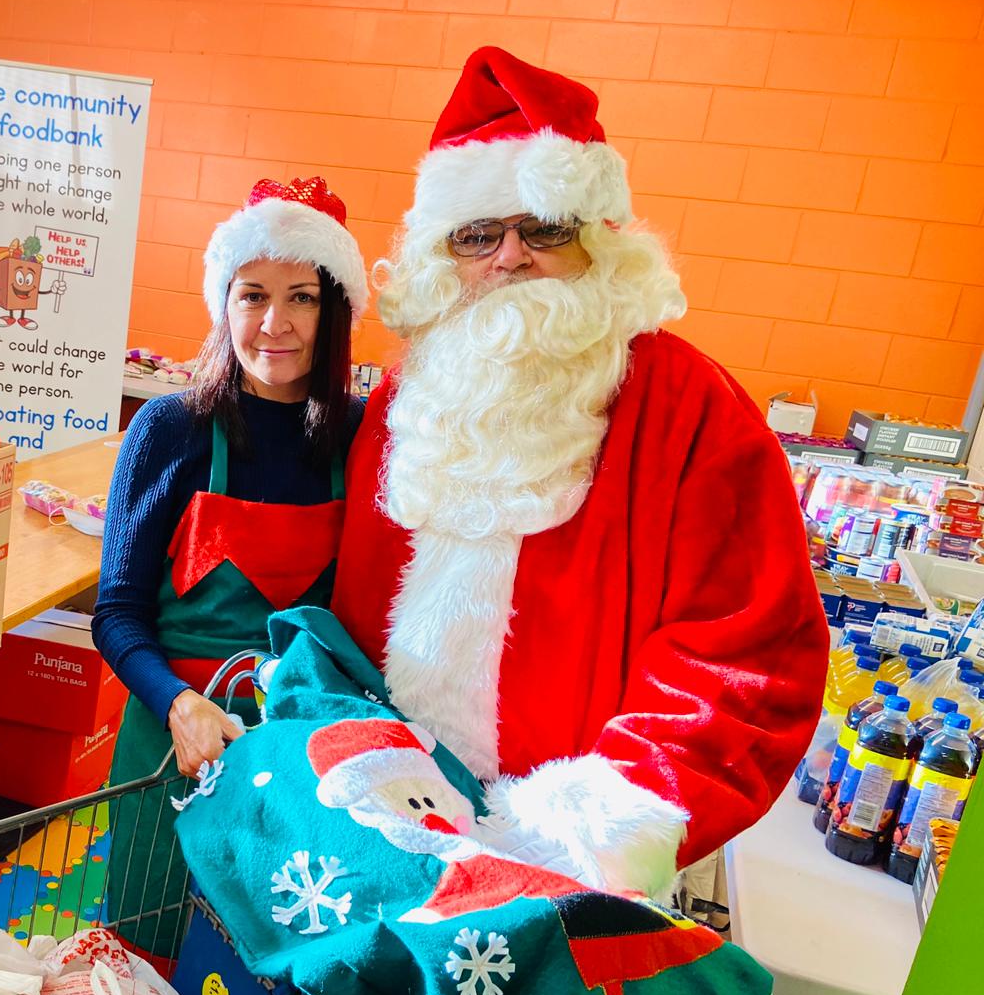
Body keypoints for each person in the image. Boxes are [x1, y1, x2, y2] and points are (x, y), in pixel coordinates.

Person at [331, 47, 830, 900]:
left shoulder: (690, 407)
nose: (510, 257)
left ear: (598, 241)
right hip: (392, 813)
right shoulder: (408, 397)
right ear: (443, 253)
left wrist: (609, 810)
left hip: (573, 861)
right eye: (479, 234)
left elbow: (748, 646)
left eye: (545, 228)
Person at [93, 176, 368, 960]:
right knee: (153, 955)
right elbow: (115, 613)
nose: (273, 323)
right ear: (224, 303)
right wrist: (179, 706)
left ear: (335, 309)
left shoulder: (362, 436)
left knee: (271, 971)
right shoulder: (171, 429)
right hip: (171, 740)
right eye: (251, 295)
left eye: (302, 298)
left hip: (297, 753)